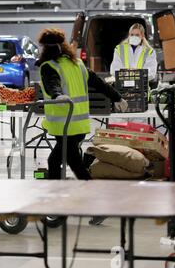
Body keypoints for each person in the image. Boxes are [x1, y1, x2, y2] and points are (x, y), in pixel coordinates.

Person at [37, 28, 128, 225]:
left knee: (61, 163)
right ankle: (64, 208)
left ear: (45, 48)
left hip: (65, 126)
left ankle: (60, 207)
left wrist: (56, 95)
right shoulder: (77, 64)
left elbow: (52, 84)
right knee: (68, 163)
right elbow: (99, 83)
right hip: (78, 126)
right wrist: (117, 96)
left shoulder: (49, 66)